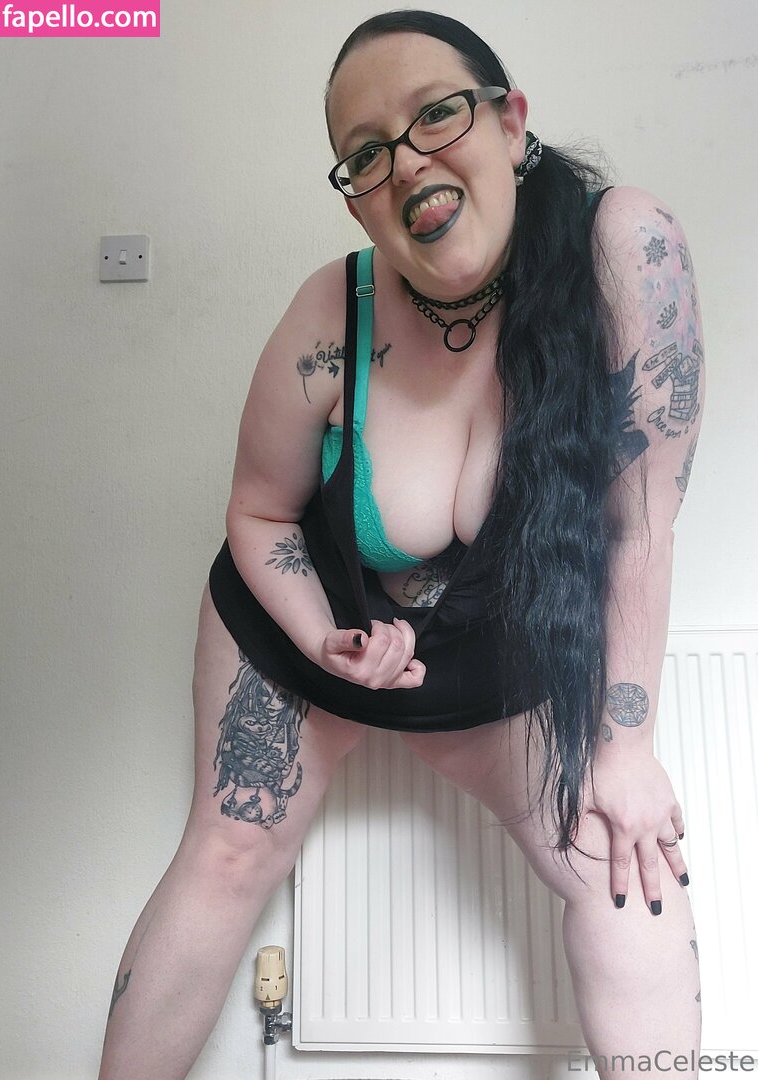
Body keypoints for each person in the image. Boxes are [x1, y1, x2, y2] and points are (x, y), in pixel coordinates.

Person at [98, 11, 705, 1079]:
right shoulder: (331, 310)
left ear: (510, 123)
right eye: (367, 151)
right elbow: (259, 513)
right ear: (355, 195)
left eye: (436, 115)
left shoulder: (627, 252)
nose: (408, 161)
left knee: (625, 860)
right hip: (313, 626)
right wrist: (321, 636)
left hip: (491, 651)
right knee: (228, 850)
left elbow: (639, 523)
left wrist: (624, 748)